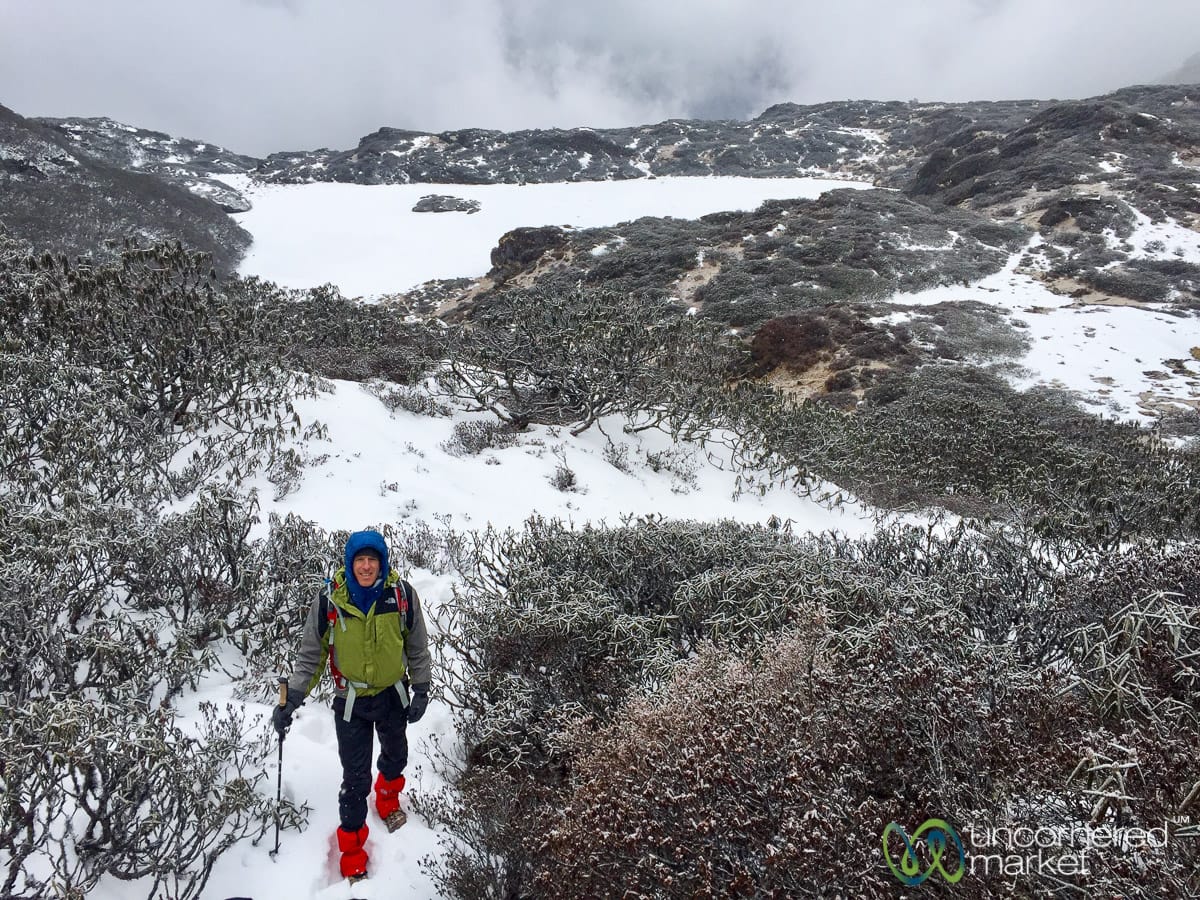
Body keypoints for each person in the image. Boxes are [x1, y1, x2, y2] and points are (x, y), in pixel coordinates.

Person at [273, 529, 432, 881]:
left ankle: (388, 800)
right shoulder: (330, 600)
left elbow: (417, 645)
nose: (365, 566)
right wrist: (294, 696)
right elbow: (311, 656)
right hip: (350, 702)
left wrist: (420, 688)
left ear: (382, 562)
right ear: (349, 562)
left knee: (396, 756)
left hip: (392, 696)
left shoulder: (401, 596)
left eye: (372, 560)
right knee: (355, 778)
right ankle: (352, 854)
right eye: (359, 560)